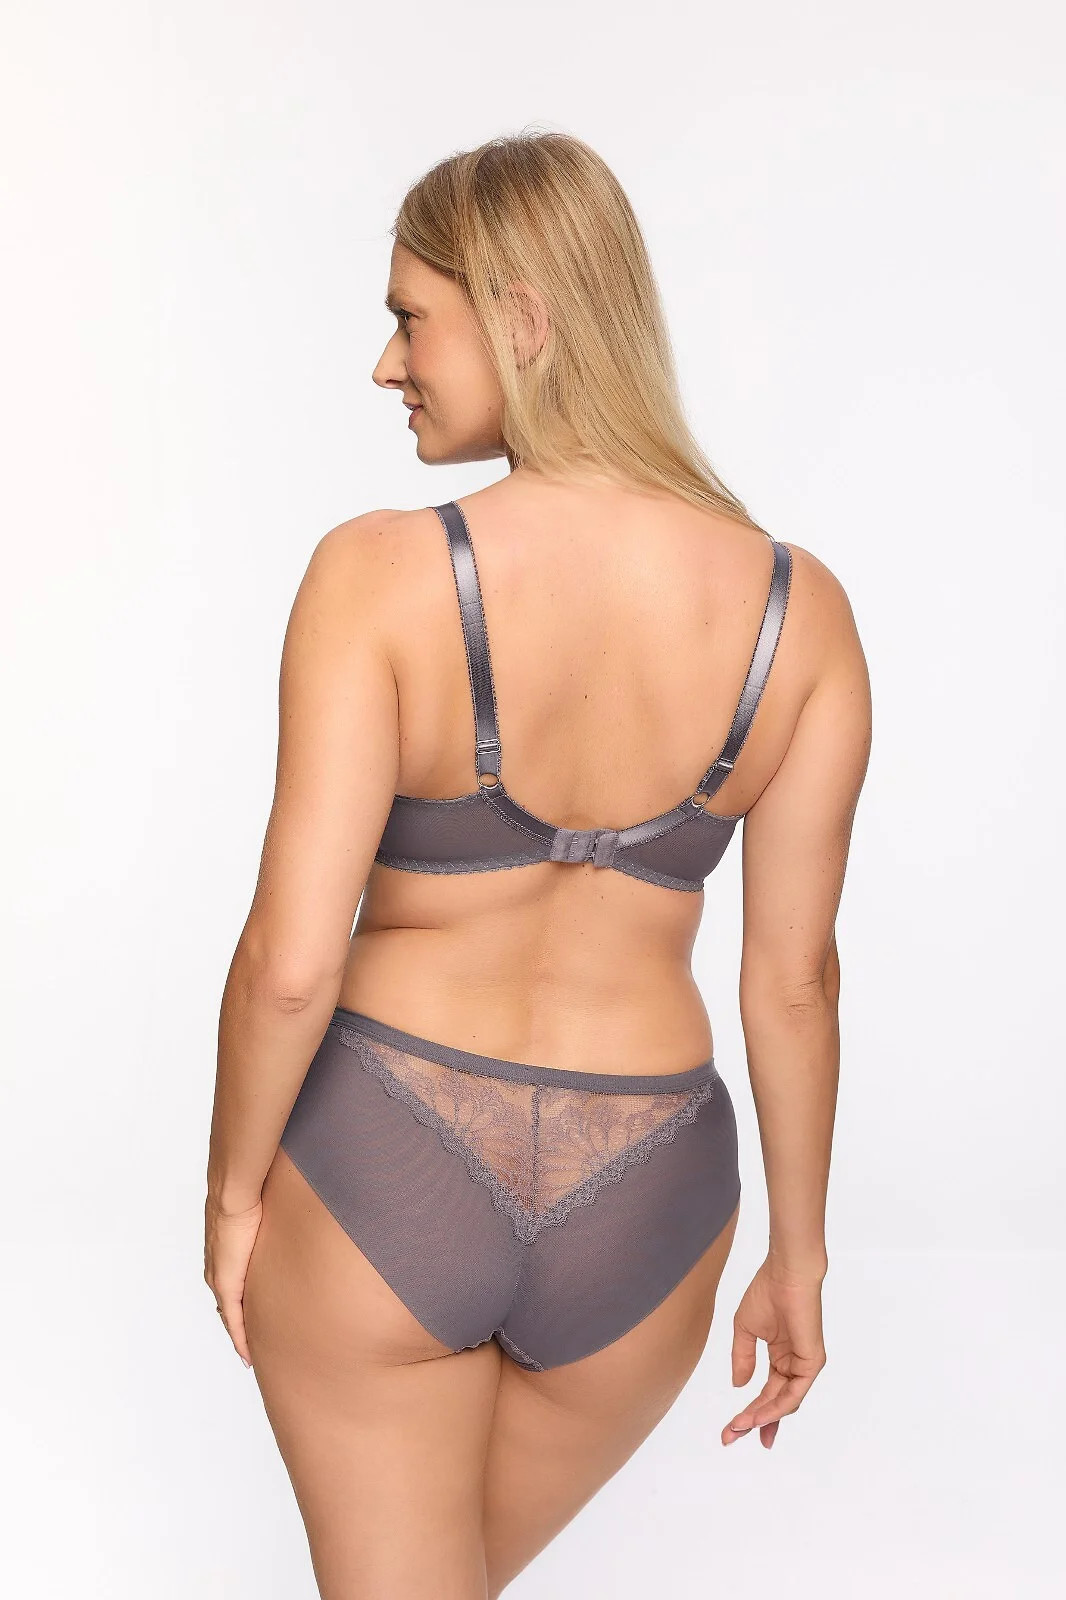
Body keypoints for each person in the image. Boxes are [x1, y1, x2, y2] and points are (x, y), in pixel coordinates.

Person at [204, 129, 871, 1598]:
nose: (387, 365)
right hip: (655, 1201)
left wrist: (234, 1193)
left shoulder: (379, 573)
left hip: (387, 1161)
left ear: (522, 314)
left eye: (410, 317)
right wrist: (800, 1254)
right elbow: (795, 982)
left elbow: (289, 964)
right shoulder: (801, 615)